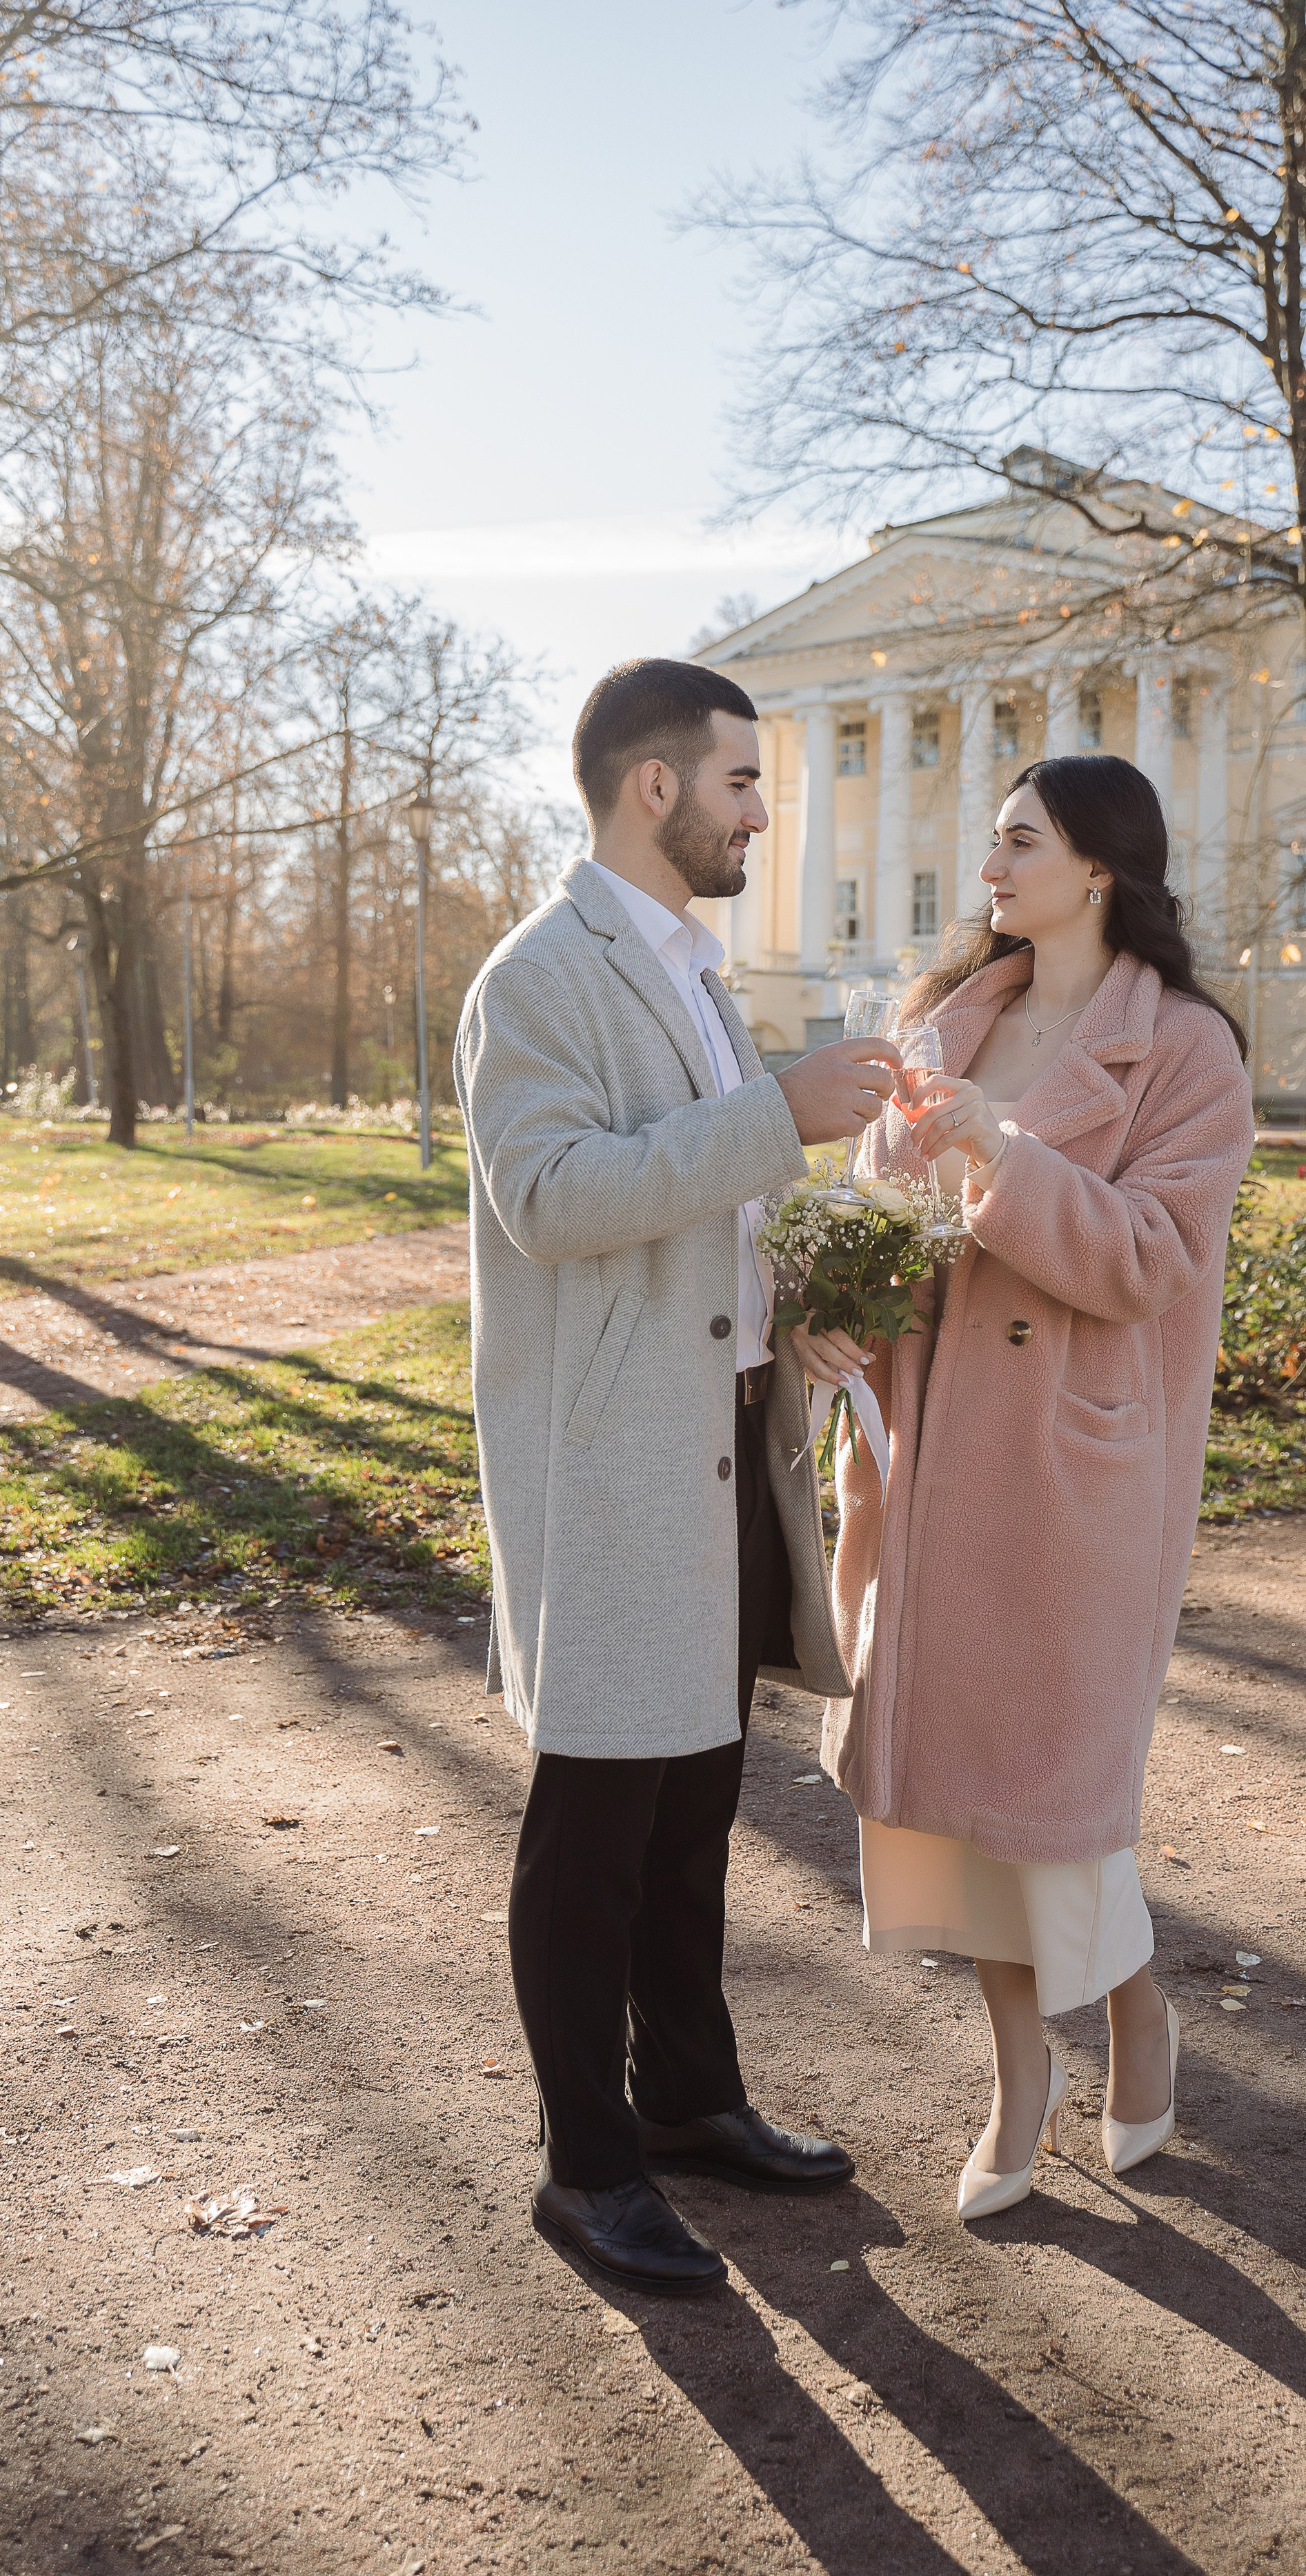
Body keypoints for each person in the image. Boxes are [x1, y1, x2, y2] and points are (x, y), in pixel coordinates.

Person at [454, 657, 901, 2294]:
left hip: (724, 1443)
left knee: (697, 1804)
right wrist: (778, 1116)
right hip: (613, 1457)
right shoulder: (538, 976)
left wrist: (809, 1310)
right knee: (596, 1820)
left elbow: (712, 1212)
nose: (757, 814)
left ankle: (691, 2103)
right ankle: (586, 2166)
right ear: (654, 788)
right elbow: (551, 1199)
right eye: (737, 784)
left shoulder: (699, 980)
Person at [792, 755, 1255, 2217]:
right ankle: (1021, 2072)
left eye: (1014, 842)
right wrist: (828, 1302)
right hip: (924, 1454)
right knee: (947, 1800)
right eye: (989, 842)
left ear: (1098, 867)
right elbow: (876, 1207)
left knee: (1043, 1805)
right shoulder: (943, 1021)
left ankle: (1130, 2019)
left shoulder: (1183, 1050)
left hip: (1066, 1469)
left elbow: (1148, 1262)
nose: (986, 868)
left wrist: (998, 1151)